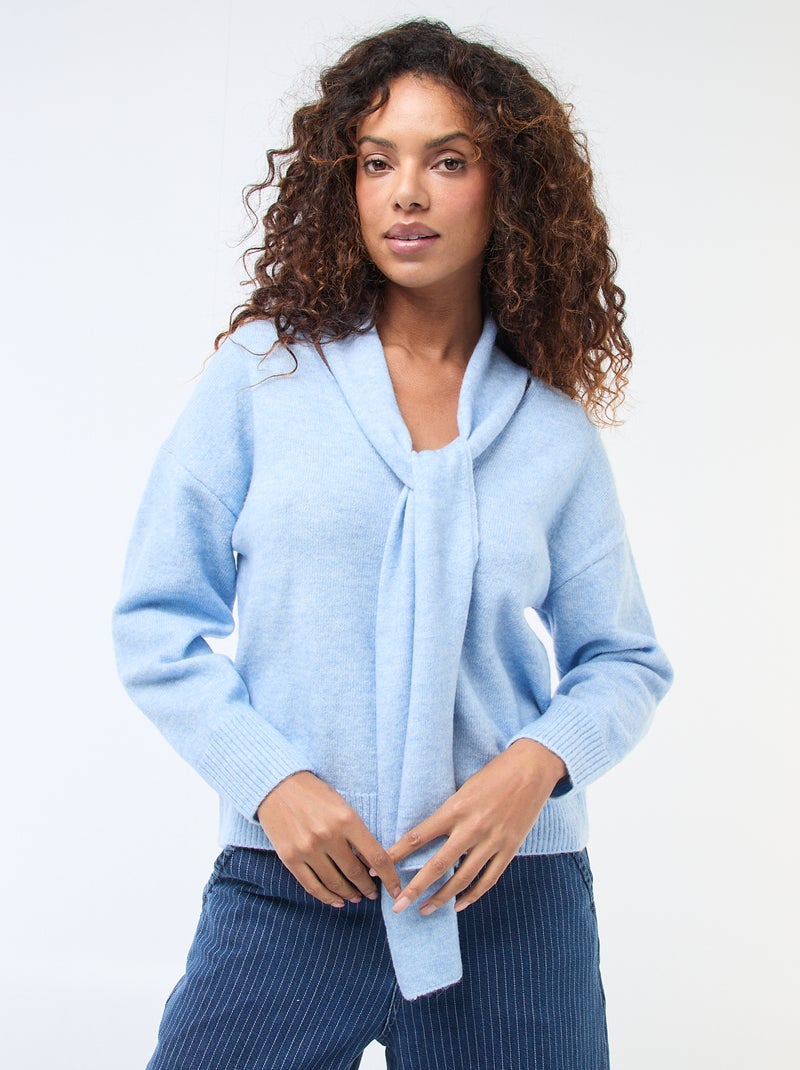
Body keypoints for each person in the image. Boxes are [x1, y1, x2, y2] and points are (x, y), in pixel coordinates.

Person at [112, 18, 673, 1070]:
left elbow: (624, 660)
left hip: (511, 900)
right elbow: (154, 621)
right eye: (377, 162)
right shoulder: (263, 377)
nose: (405, 193)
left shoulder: (551, 432)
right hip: (291, 883)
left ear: (507, 188)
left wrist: (534, 767)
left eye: (446, 161)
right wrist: (271, 780)